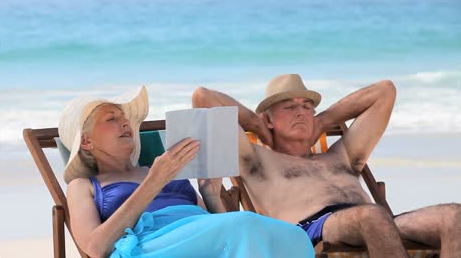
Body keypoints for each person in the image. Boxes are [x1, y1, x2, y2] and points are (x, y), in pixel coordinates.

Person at [192, 74, 461, 258]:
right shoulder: (256, 161)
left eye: (307, 107)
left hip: (378, 224)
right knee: (372, 216)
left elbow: (385, 90)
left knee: (453, 216)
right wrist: (255, 125)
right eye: (288, 107)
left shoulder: (342, 155)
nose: (300, 112)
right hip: (311, 230)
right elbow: (203, 98)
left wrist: (322, 122)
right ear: (268, 119)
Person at [58, 85, 314, 258]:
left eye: (124, 118)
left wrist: (210, 194)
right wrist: (154, 182)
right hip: (152, 244)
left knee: (293, 236)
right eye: (111, 119)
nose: (125, 122)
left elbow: (213, 226)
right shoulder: (83, 185)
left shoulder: (161, 168)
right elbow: (94, 248)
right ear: (86, 142)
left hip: (195, 234)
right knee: (244, 222)